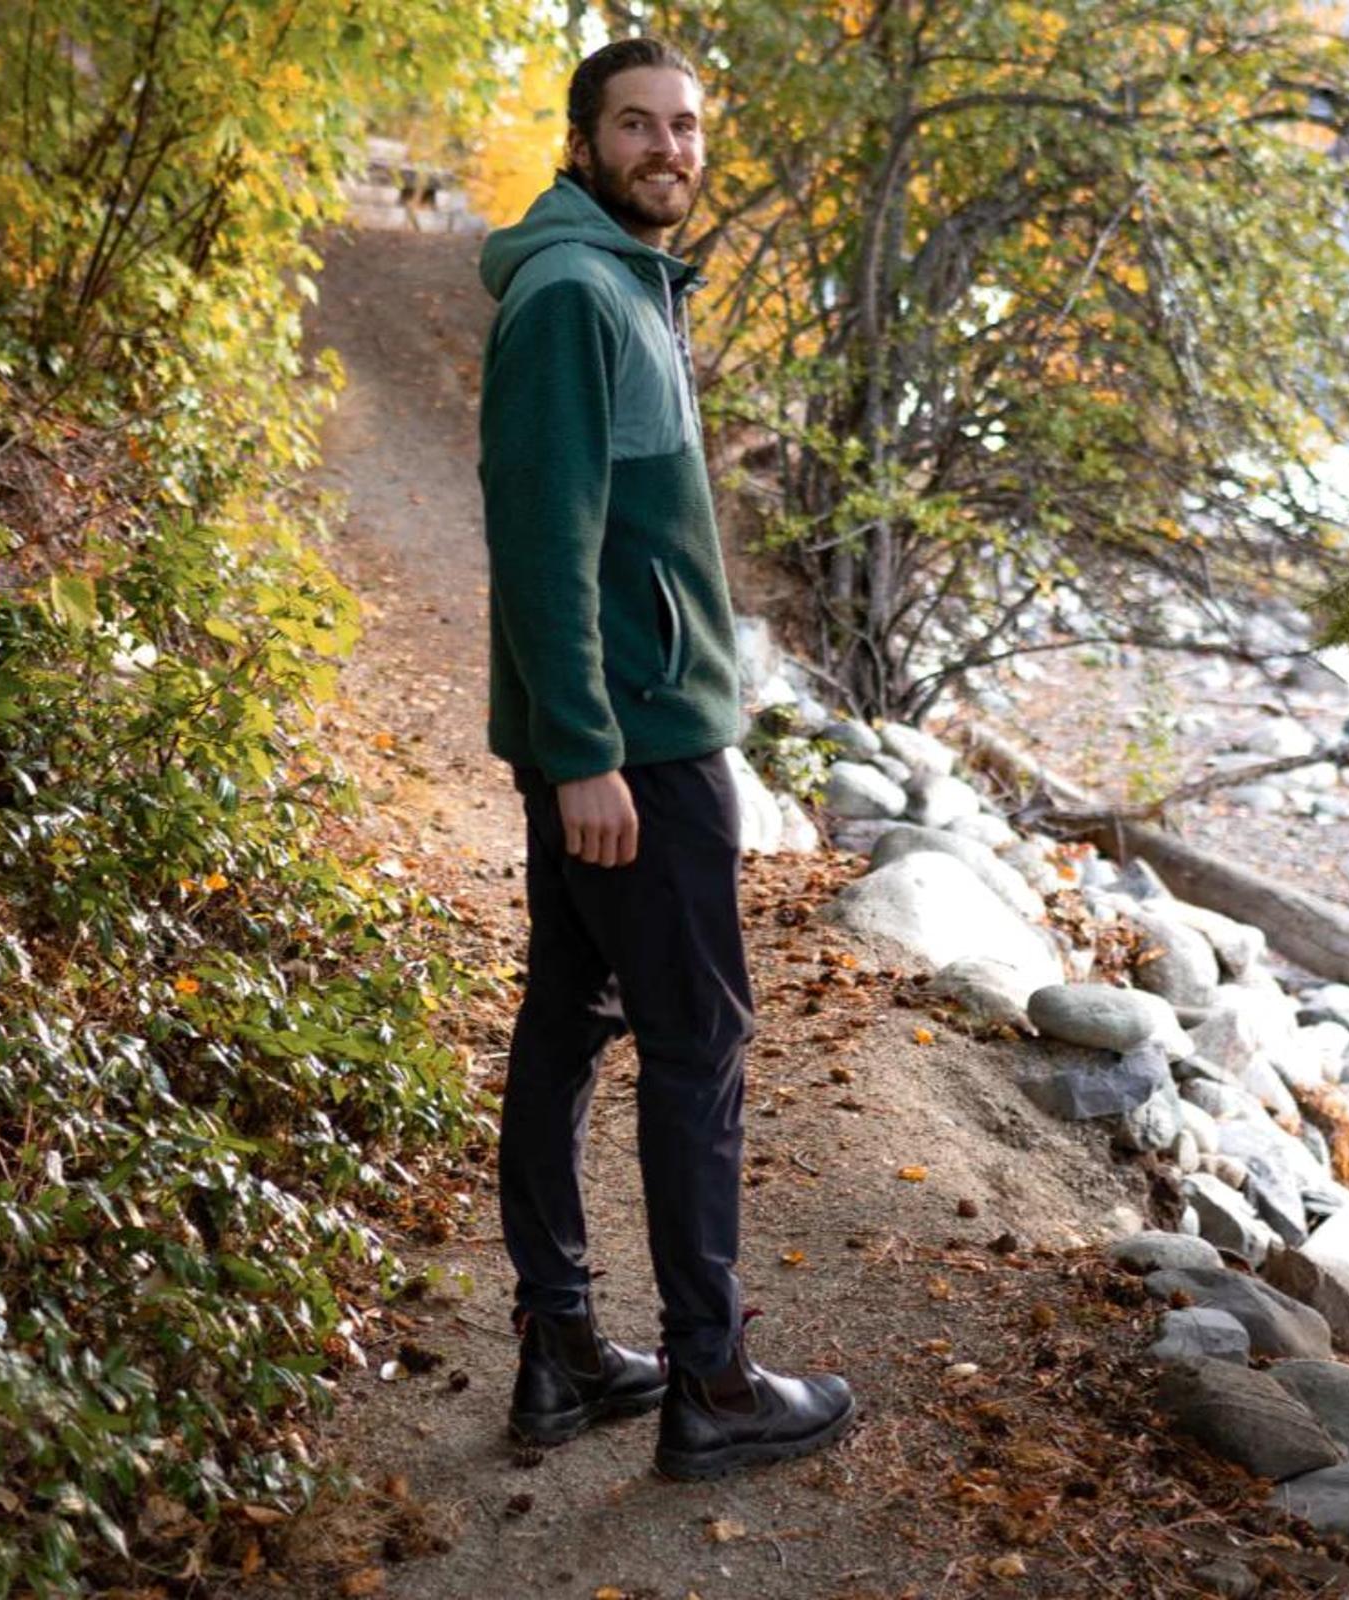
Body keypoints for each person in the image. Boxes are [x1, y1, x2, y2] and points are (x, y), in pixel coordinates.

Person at [475, 36, 855, 1481]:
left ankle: (565, 1352)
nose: (668, 149)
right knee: (699, 1044)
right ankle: (715, 1382)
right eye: (636, 125)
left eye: (685, 126)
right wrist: (586, 754)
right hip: (632, 746)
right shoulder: (575, 294)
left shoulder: (628, 280)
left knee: (572, 1020)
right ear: (583, 143)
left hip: (618, 732)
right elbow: (542, 541)